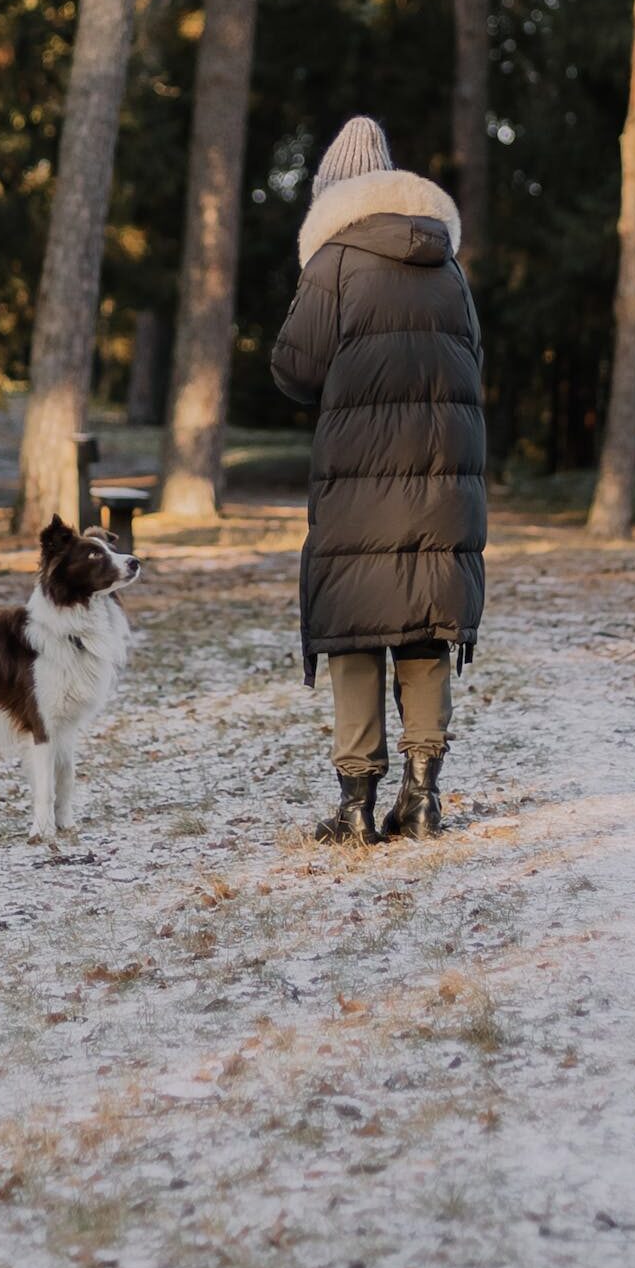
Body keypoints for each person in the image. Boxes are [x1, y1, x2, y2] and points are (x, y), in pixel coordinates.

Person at [270, 117, 486, 844]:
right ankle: (422, 798)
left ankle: (356, 806)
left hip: (359, 478)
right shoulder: (447, 264)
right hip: (443, 475)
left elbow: (294, 369)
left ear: (335, 192)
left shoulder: (333, 262)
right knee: (427, 625)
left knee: (357, 629)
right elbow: (472, 357)